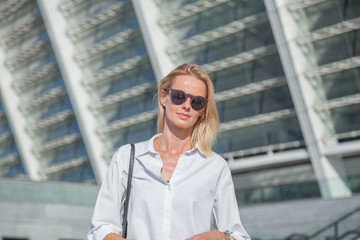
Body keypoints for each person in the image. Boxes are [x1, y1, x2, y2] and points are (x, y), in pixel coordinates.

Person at [88, 63, 250, 240]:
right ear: (164, 97)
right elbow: (101, 227)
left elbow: (239, 236)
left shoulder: (215, 167)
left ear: (202, 111)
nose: (187, 106)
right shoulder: (127, 157)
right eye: (179, 97)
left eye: (197, 102)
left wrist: (221, 237)